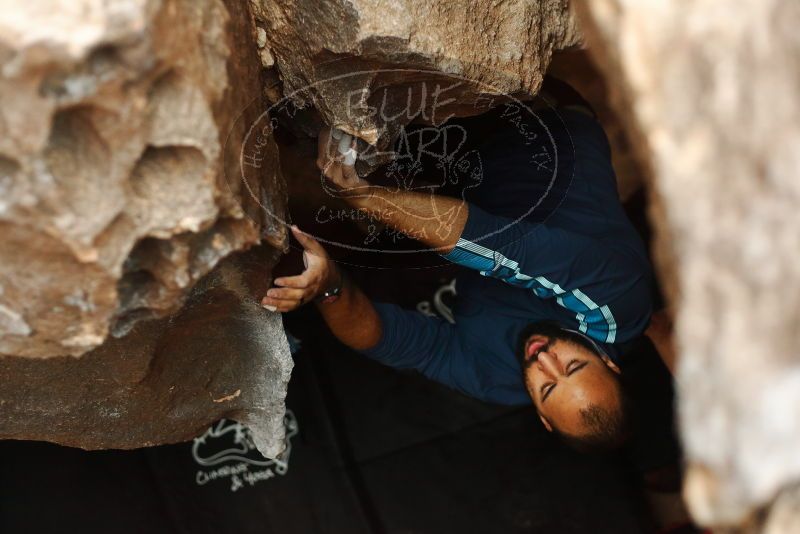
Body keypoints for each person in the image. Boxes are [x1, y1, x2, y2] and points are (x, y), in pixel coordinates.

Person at [261, 91, 658, 452]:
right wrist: (362, 196)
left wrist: (330, 288)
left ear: (540, 415)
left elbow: (395, 342)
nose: (545, 362)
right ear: (609, 363)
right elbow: (496, 243)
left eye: (548, 388)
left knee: (309, 133)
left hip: (467, 179)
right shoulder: (616, 303)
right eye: (574, 365)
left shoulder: (501, 382)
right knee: (354, 108)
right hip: (531, 123)